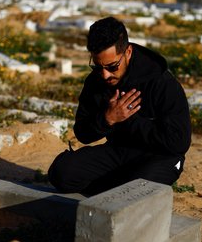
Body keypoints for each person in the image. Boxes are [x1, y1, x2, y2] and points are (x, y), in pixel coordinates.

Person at [48, 16, 191, 195]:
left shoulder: (161, 82)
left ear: (128, 52)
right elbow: (82, 133)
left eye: (112, 66)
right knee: (62, 172)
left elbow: (179, 142)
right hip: (118, 152)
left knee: (136, 187)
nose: (105, 75)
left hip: (160, 156)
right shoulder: (96, 81)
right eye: (98, 67)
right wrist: (108, 119)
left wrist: (127, 120)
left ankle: (117, 190)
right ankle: (115, 189)